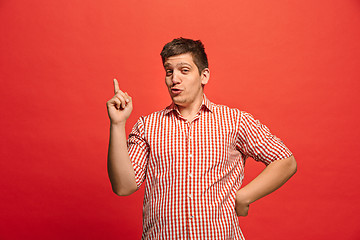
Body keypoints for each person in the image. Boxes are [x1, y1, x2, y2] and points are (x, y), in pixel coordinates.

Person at [106, 37, 297, 240]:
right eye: (169, 71)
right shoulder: (148, 126)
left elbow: (286, 161)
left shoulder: (234, 121)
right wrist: (117, 124)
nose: (174, 79)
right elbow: (124, 186)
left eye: (184, 70)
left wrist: (244, 196)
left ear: (204, 75)